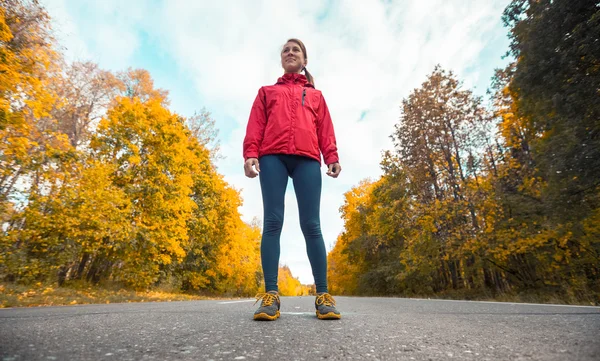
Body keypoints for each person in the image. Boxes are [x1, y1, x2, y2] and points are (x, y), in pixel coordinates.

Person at [243, 38, 342, 321]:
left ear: (304, 60)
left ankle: (323, 295)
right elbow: (256, 125)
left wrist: (332, 156)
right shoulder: (267, 92)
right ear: (281, 59)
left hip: (308, 159)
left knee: (312, 224)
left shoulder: (316, 96)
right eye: (285, 50)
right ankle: (271, 295)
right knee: (273, 221)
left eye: (295, 50)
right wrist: (251, 153)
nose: (289, 53)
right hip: (272, 156)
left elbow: (325, 129)